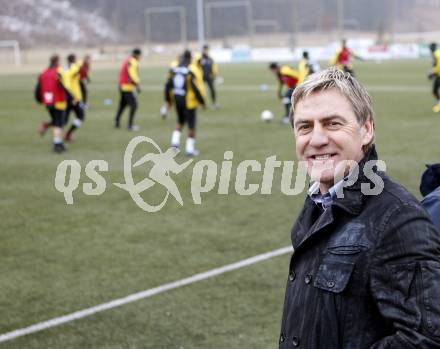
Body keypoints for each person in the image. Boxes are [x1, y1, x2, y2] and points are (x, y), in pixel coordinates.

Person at [279, 67, 440, 348]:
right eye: (305, 126)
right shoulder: (318, 202)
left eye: (332, 124)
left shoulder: (398, 218)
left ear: (367, 130)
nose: (316, 139)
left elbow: (426, 338)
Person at [165, 49, 206, 156]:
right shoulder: (190, 70)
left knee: (180, 122)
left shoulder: (175, 69)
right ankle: (190, 149)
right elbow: (195, 87)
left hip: (177, 99)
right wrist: (202, 101)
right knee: (191, 126)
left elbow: (168, 85)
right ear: (190, 58)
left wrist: (169, 100)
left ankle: (174, 146)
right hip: (189, 102)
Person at [35, 54, 68, 153]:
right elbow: (64, 85)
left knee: (56, 122)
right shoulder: (59, 71)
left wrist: (41, 100)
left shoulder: (43, 73)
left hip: (48, 101)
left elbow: (38, 89)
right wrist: (70, 97)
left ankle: (59, 142)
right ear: (57, 61)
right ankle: (57, 144)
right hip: (59, 101)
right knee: (59, 123)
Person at [114, 48, 142, 131]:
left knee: (123, 105)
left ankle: (116, 121)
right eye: (140, 55)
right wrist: (137, 84)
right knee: (134, 105)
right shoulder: (133, 62)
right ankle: (130, 125)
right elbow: (132, 74)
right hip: (127, 87)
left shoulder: (127, 60)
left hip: (122, 85)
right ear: (137, 55)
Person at [64, 53, 86, 142]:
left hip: (67, 96)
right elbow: (79, 66)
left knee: (64, 119)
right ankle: (67, 134)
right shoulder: (74, 68)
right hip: (74, 97)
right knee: (81, 116)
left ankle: (47, 125)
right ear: (74, 59)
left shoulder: (66, 68)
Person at [196, 44, 218, 110]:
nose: (205, 51)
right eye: (204, 49)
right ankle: (202, 104)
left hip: (209, 77)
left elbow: (213, 67)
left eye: (206, 49)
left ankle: (213, 103)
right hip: (201, 77)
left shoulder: (210, 59)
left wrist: (214, 75)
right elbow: (195, 67)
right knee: (200, 91)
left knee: (212, 90)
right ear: (202, 50)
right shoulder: (199, 58)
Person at [428, 42, 440, 113]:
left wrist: (432, 72)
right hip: (438, 75)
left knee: (434, 90)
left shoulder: (436, 54)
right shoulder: (436, 54)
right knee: (434, 90)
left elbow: (438, 66)